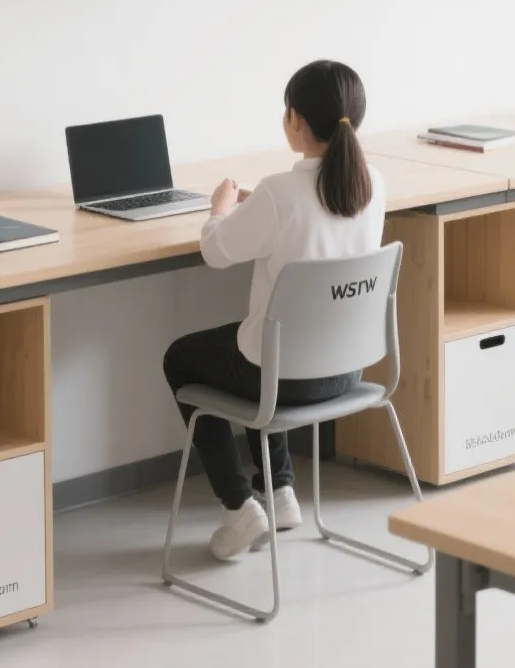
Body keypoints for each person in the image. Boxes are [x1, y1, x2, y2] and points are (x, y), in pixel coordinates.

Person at [161, 60, 386, 559]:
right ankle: (280, 492)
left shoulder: (279, 193)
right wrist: (255, 209)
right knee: (268, 337)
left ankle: (241, 508)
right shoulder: (373, 185)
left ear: (296, 121)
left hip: (285, 379)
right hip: (347, 372)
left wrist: (220, 208)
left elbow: (216, 252)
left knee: (183, 357)